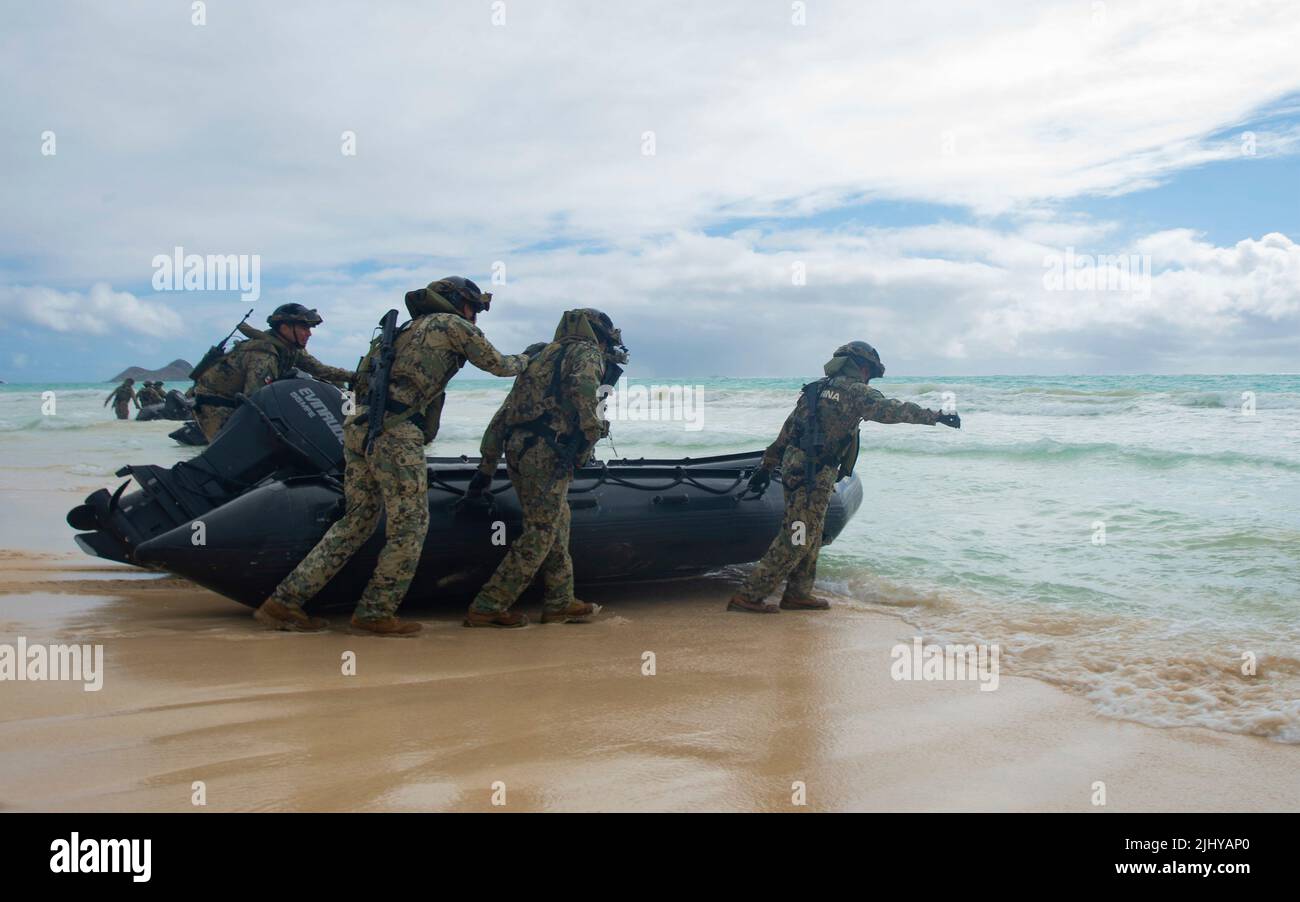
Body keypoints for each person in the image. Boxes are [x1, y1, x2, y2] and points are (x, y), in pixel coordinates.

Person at [253, 277, 530, 636]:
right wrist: (528, 359)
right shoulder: (451, 325)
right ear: (456, 303)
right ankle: (376, 610)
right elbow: (499, 365)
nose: (474, 315)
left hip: (359, 427)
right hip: (395, 433)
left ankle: (285, 601)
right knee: (410, 525)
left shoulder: (402, 332)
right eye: (473, 307)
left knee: (356, 521)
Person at [727, 341, 960, 614]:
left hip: (796, 468)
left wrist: (767, 466)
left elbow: (789, 430)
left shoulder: (814, 390)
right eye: (869, 371)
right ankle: (750, 596)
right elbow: (891, 410)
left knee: (810, 532)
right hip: (814, 474)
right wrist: (935, 416)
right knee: (798, 534)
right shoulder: (855, 392)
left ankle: (797, 594)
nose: (868, 376)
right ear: (862, 367)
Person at [463, 308, 626, 628]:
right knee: (541, 531)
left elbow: (506, 411)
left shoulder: (541, 355)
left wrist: (487, 464)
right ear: (599, 335)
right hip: (547, 453)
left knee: (556, 523)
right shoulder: (587, 353)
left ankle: (560, 600)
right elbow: (584, 391)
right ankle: (489, 604)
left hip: (519, 448)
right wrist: (593, 430)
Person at [191, 303, 356, 441]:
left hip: (235, 403)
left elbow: (320, 370)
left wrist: (355, 376)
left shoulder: (290, 349)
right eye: (304, 327)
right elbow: (255, 400)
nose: (309, 333)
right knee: (233, 453)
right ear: (284, 328)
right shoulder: (264, 355)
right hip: (215, 406)